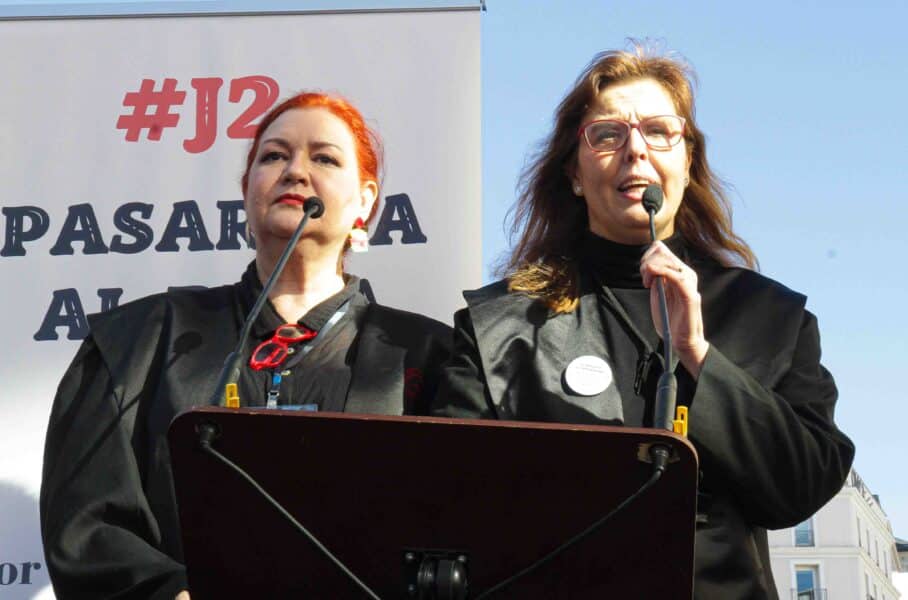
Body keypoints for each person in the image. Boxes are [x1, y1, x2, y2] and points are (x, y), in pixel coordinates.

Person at [431, 45, 854, 599]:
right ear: (574, 175)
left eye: (659, 131)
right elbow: (447, 501)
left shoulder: (772, 315)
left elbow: (801, 486)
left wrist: (698, 354)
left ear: (688, 163)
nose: (635, 150)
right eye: (606, 135)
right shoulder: (499, 325)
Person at [40, 92, 452, 600]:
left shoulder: (433, 358)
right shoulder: (137, 341)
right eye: (274, 156)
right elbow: (88, 526)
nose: (296, 171)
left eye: (324, 158)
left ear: (365, 201)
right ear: (247, 189)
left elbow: (459, 535)